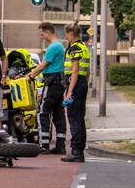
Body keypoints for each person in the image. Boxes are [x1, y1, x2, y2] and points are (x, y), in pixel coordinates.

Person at [28, 22, 68, 154]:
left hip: (51, 84)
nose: (42, 36)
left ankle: (44, 145)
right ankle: (60, 145)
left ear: (48, 32)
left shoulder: (53, 47)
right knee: (58, 114)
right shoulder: (60, 46)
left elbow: (43, 65)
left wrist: (30, 76)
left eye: (42, 34)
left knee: (43, 112)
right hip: (59, 84)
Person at [61, 24, 91, 163]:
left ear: (71, 33)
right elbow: (87, 71)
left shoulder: (75, 48)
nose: (65, 36)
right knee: (79, 118)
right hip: (81, 84)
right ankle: (79, 150)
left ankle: (76, 151)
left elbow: (74, 70)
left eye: (66, 34)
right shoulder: (84, 47)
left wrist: (70, 92)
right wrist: (84, 85)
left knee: (74, 118)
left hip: (75, 83)